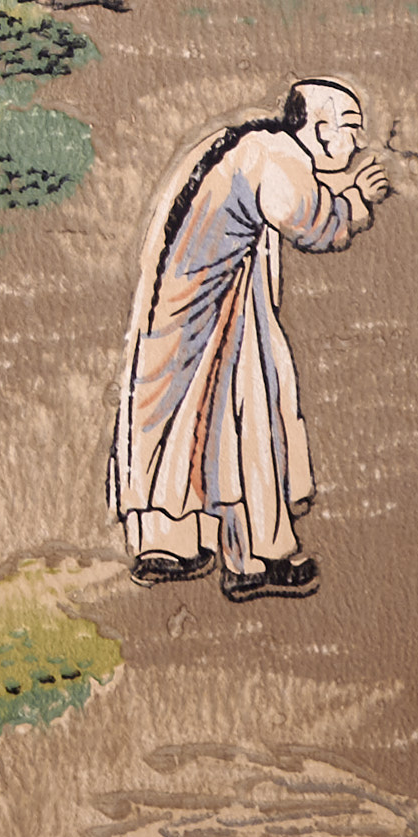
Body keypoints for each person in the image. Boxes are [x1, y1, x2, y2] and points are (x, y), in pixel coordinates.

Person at [111, 77, 390, 601]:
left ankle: (173, 544)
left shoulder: (249, 144)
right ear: (319, 128)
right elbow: (309, 221)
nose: (357, 142)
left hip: (190, 306)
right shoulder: (274, 154)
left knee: (182, 423)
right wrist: (354, 200)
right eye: (350, 127)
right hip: (213, 313)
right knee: (245, 419)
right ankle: (256, 558)